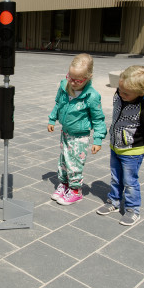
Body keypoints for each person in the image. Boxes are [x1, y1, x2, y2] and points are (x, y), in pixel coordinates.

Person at [96, 65, 144, 226]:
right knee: (115, 177)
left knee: (130, 181)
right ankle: (114, 201)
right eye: (119, 89)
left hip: (132, 151)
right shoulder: (119, 95)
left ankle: (133, 209)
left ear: (140, 93)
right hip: (115, 146)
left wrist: (135, 137)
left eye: (126, 93)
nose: (121, 94)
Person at [47, 53, 107, 205]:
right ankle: (65, 184)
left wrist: (98, 139)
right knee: (63, 160)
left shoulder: (92, 96)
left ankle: (75, 190)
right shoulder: (64, 86)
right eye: (70, 77)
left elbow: (98, 119)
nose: (72, 83)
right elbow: (58, 103)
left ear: (88, 77)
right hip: (65, 132)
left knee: (75, 163)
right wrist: (52, 118)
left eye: (77, 80)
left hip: (80, 136)